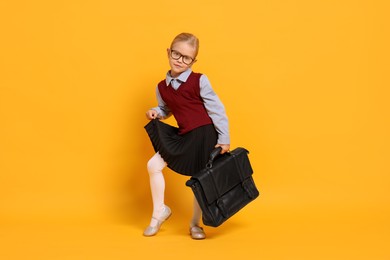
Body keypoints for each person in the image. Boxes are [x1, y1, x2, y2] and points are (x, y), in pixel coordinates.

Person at [143, 32, 230, 240]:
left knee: (199, 181)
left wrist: (224, 138)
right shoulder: (161, 87)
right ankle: (159, 213)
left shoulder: (199, 80)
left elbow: (217, 109)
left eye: (187, 58)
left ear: (193, 61)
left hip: (204, 136)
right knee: (153, 166)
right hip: (184, 136)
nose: (180, 60)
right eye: (176, 54)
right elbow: (167, 109)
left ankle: (195, 224)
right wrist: (156, 112)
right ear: (168, 52)